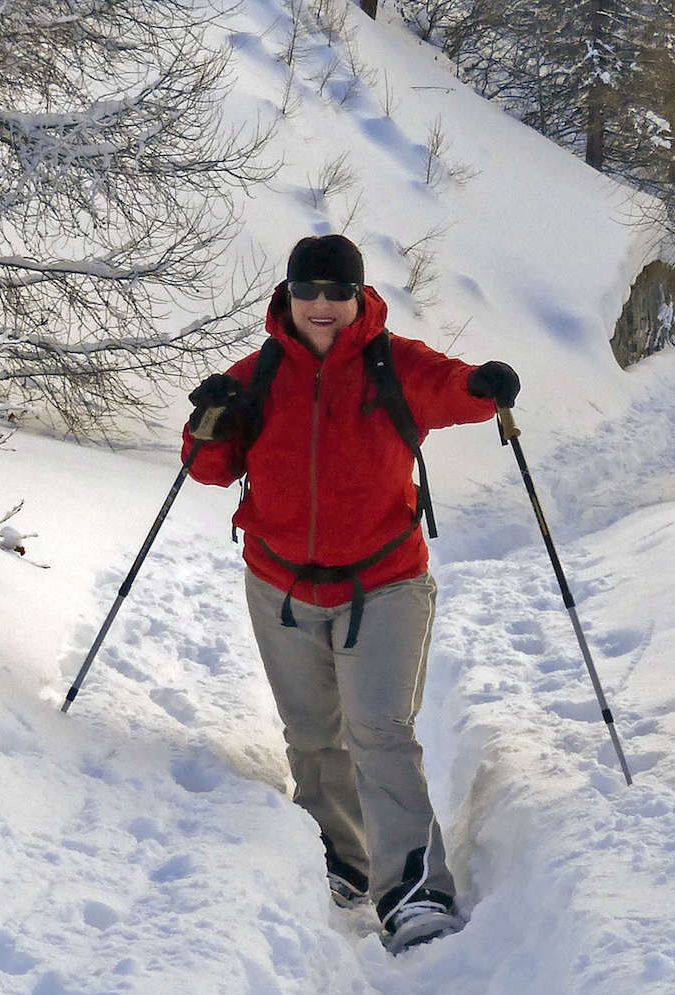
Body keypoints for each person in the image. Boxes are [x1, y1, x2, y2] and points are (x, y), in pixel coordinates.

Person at [182, 234, 519, 955]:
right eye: (311, 291)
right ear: (289, 295)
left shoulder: (395, 363)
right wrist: (206, 418)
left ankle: (414, 888)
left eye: (340, 292)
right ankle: (345, 857)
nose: (325, 306)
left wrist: (486, 386)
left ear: (361, 296)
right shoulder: (258, 375)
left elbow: (454, 389)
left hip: (387, 582)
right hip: (280, 584)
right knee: (312, 736)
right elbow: (210, 469)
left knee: (379, 732)